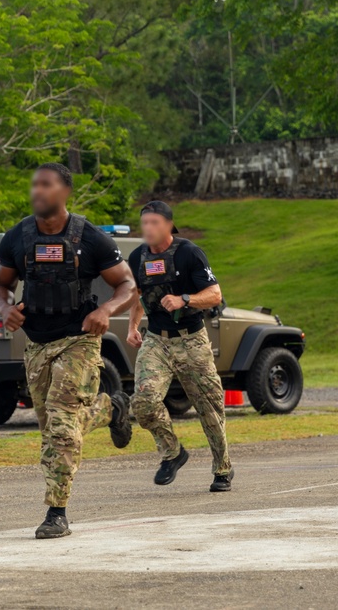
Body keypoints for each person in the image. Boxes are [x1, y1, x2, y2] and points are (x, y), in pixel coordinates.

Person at [0, 163, 136, 539]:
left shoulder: (90, 238)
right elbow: (1, 285)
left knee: (61, 428)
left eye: (46, 184)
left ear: (65, 191)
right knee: (52, 426)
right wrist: (6, 309)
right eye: (34, 184)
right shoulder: (17, 237)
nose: (37, 191)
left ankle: (56, 512)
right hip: (37, 343)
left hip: (79, 339)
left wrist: (105, 310)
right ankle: (112, 408)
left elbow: (127, 285)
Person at [126, 201, 233, 492]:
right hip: (156, 340)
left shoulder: (189, 253)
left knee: (209, 407)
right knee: (143, 402)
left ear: (168, 224)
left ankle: (222, 469)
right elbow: (138, 295)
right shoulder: (137, 257)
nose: (148, 228)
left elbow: (214, 294)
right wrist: (133, 327)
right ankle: (173, 453)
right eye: (144, 223)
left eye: (154, 223)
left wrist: (184, 299)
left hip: (192, 339)